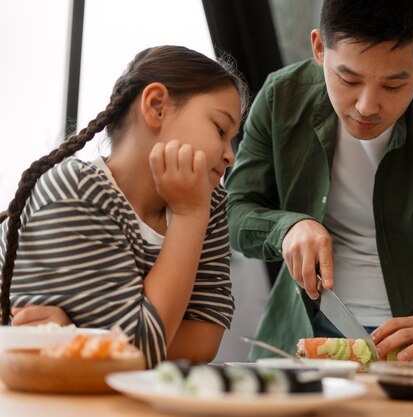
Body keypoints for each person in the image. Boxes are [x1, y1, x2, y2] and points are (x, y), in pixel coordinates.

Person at [225, 0, 413, 366]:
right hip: (302, 340)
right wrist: (286, 228)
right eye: (348, 79)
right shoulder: (281, 98)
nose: (366, 106)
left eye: (394, 84)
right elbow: (233, 213)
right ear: (318, 48)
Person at [0, 45, 249, 368]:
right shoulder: (74, 191)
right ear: (156, 107)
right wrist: (189, 216)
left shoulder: (207, 202)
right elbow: (140, 348)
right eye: (219, 129)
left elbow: (204, 341)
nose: (230, 155)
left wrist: (80, 338)